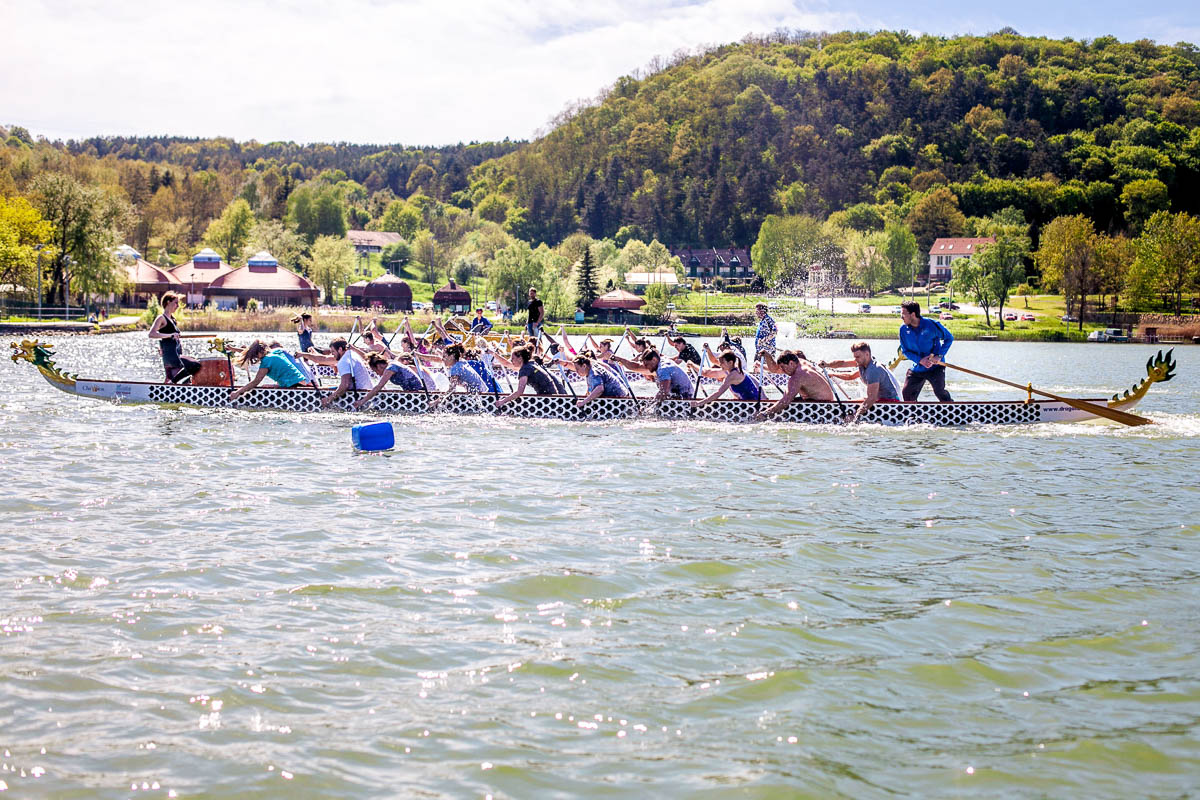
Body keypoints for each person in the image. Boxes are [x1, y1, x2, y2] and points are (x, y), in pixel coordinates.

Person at [821, 342, 901, 422]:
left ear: (867, 354)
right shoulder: (862, 363)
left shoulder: (874, 370)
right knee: (848, 403)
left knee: (850, 406)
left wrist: (856, 415)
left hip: (890, 405)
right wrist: (828, 366)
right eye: (854, 357)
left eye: (858, 357)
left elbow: (871, 398)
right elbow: (846, 369)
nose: (855, 359)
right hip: (878, 401)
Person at [899, 300, 954, 401]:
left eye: (903, 314)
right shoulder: (903, 330)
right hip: (918, 367)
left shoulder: (932, 325)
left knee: (939, 392)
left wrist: (939, 356)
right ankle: (914, 415)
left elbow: (949, 338)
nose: (901, 316)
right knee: (906, 393)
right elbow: (905, 351)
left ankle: (951, 411)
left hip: (936, 366)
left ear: (913, 314)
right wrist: (920, 360)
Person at [228, 340, 315, 403]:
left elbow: (255, 382)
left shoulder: (266, 361)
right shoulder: (276, 352)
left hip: (295, 387)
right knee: (266, 385)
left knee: (264, 386)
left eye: (255, 355)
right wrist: (233, 349)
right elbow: (249, 351)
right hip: (301, 383)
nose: (255, 357)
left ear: (260, 352)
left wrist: (237, 392)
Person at [755, 350, 833, 418]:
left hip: (822, 407)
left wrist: (765, 414)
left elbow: (785, 401)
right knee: (777, 405)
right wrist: (768, 356)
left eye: (783, 367)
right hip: (817, 401)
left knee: (781, 406)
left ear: (791, 363)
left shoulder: (798, 376)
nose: (782, 370)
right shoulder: (800, 361)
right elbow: (775, 369)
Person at [298, 337, 374, 408]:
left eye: (333, 351)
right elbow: (324, 359)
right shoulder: (351, 354)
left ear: (340, 349)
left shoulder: (344, 361)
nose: (332, 354)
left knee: (325, 392)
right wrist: (303, 354)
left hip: (358, 396)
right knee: (329, 387)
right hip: (367, 392)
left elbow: (345, 386)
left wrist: (328, 399)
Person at [148, 291, 201, 384]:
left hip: (176, 353)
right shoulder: (161, 318)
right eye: (176, 303)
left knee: (195, 366)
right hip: (171, 356)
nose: (178, 306)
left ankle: (180, 385)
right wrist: (171, 335)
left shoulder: (173, 320)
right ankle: (173, 383)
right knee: (195, 365)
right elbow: (151, 334)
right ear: (168, 302)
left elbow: (165, 337)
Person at [496, 346, 564, 408]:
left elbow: (519, 392)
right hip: (552, 397)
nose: (511, 360)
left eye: (513, 358)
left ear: (520, 358)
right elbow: (507, 364)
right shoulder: (530, 363)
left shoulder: (525, 369)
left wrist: (502, 401)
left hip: (548, 401)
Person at [355, 353, 425, 409]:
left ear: (379, 366)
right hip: (412, 394)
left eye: (375, 371)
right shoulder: (391, 363)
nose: (376, 373)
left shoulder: (391, 368)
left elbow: (378, 387)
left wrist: (362, 401)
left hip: (419, 395)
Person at [693, 351, 760, 406]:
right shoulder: (733, 370)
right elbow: (708, 372)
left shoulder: (732, 376)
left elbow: (718, 393)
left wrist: (700, 403)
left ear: (730, 363)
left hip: (753, 405)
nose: (720, 365)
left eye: (722, 363)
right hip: (747, 403)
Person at [628, 348, 693, 400]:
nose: (645, 367)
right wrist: (621, 360)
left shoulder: (663, 369)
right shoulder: (662, 359)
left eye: (646, 364)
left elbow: (663, 393)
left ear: (654, 360)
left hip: (686, 397)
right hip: (680, 393)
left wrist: (648, 408)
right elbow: (637, 366)